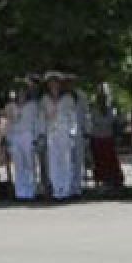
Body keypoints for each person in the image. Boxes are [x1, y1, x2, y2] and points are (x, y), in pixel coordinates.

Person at [39, 71, 78, 200]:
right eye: (51, 83)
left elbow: (73, 117)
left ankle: (66, 189)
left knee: (66, 161)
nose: (53, 85)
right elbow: (42, 118)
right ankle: (56, 189)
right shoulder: (45, 99)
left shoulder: (68, 98)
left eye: (56, 82)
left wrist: (73, 133)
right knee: (53, 162)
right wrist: (41, 133)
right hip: (51, 132)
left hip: (64, 131)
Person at [3, 86, 40, 200]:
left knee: (29, 164)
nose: (21, 95)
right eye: (19, 92)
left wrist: (36, 137)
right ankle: (20, 192)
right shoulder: (10, 106)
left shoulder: (33, 106)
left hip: (28, 135)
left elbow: (36, 122)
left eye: (23, 92)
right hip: (15, 136)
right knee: (18, 164)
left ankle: (31, 190)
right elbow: (8, 123)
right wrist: (8, 138)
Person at [88, 83, 124, 190]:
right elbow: (93, 122)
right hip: (97, 138)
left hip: (108, 138)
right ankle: (99, 181)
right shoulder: (93, 109)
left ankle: (113, 181)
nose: (102, 99)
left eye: (104, 97)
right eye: (100, 97)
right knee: (98, 161)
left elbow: (115, 121)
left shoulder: (111, 109)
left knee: (110, 160)